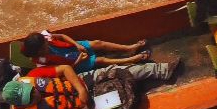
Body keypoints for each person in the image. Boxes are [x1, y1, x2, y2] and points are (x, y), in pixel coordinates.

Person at [2, 63, 91, 109]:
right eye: (30, 98)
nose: (35, 95)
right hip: (88, 108)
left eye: (31, 90)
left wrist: (81, 90)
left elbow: (65, 68)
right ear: (22, 105)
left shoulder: (34, 75)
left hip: (82, 82)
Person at [20, 31, 149, 72]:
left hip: (72, 47)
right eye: (44, 47)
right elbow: (65, 70)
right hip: (73, 63)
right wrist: (78, 61)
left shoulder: (45, 37)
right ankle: (131, 59)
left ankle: (129, 48)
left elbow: (62, 37)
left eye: (46, 43)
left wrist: (77, 45)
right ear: (38, 52)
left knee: (98, 43)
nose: (47, 45)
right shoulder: (42, 63)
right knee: (100, 60)